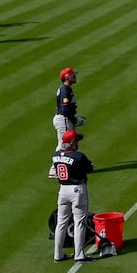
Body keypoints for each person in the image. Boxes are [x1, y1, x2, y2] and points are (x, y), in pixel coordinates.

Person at [50, 129, 98, 262]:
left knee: (61, 223)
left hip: (63, 191)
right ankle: (79, 255)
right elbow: (89, 168)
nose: (78, 143)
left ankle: (58, 255)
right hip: (77, 191)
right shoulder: (79, 156)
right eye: (76, 141)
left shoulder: (55, 155)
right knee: (80, 222)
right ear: (71, 142)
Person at [54, 67, 86, 148]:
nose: (75, 76)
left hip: (66, 118)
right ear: (67, 77)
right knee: (65, 145)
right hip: (64, 119)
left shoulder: (67, 89)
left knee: (72, 144)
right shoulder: (65, 90)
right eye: (73, 75)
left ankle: (74, 160)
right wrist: (75, 120)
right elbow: (65, 110)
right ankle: (56, 160)